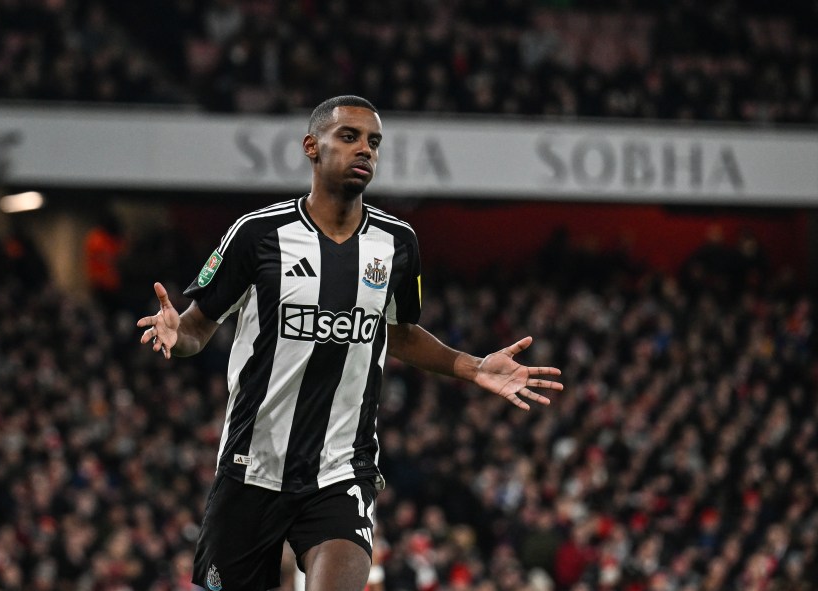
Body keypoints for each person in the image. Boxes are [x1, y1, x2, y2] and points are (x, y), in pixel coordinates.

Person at [136, 95, 564, 591]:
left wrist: (472, 367)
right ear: (311, 147)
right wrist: (176, 334)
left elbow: (399, 332)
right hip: (251, 466)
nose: (365, 150)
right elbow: (195, 328)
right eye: (350, 137)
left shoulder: (397, 243)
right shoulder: (258, 235)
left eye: (374, 142)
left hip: (342, 470)